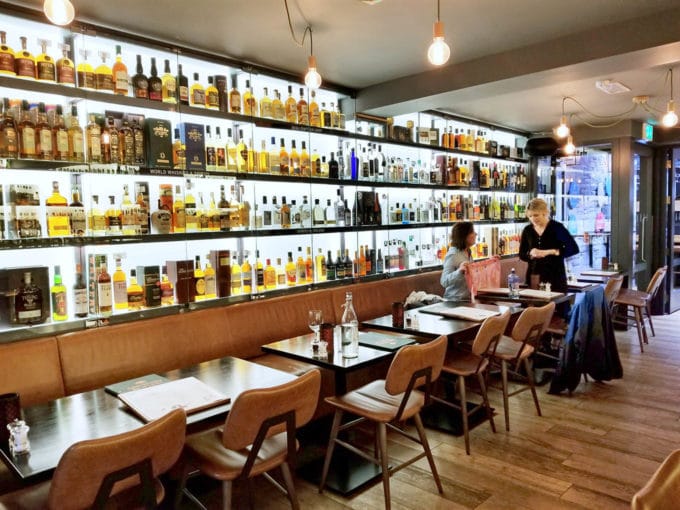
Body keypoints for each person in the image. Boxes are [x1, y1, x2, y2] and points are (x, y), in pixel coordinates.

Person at [520, 198, 579, 293]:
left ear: (545, 213)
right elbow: (522, 254)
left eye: (536, 215)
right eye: (530, 216)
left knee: (557, 305)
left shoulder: (557, 228)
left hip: (556, 276)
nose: (533, 219)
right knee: (535, 306)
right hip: (534, 276)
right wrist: (531, 254)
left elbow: (573, 248)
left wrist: (551, 252)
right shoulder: (527, 230)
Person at [440, 221, 476, 301]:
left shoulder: (468, 252)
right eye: (472, 232)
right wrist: (459, 271)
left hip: (468, 299)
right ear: (464, 236)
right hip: (454, 301)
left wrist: (491, 261)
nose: (475, 234)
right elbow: (444, 281)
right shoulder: (453, 255)